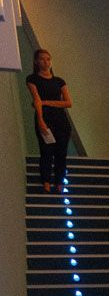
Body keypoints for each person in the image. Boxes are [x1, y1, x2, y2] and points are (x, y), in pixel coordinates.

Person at [25, 50, 73, 193]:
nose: (46, 62)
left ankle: (59, 181)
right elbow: (37, 100)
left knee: (61, 152)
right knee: (46, 151)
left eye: (48, 59)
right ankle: (46, 180)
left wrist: (47, 102)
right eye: (42, 59)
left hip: (61, 120)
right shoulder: (32, 79)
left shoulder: (59, 81)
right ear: (36, 61)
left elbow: (68, 102)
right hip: (45, 117)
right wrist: (40, 120)